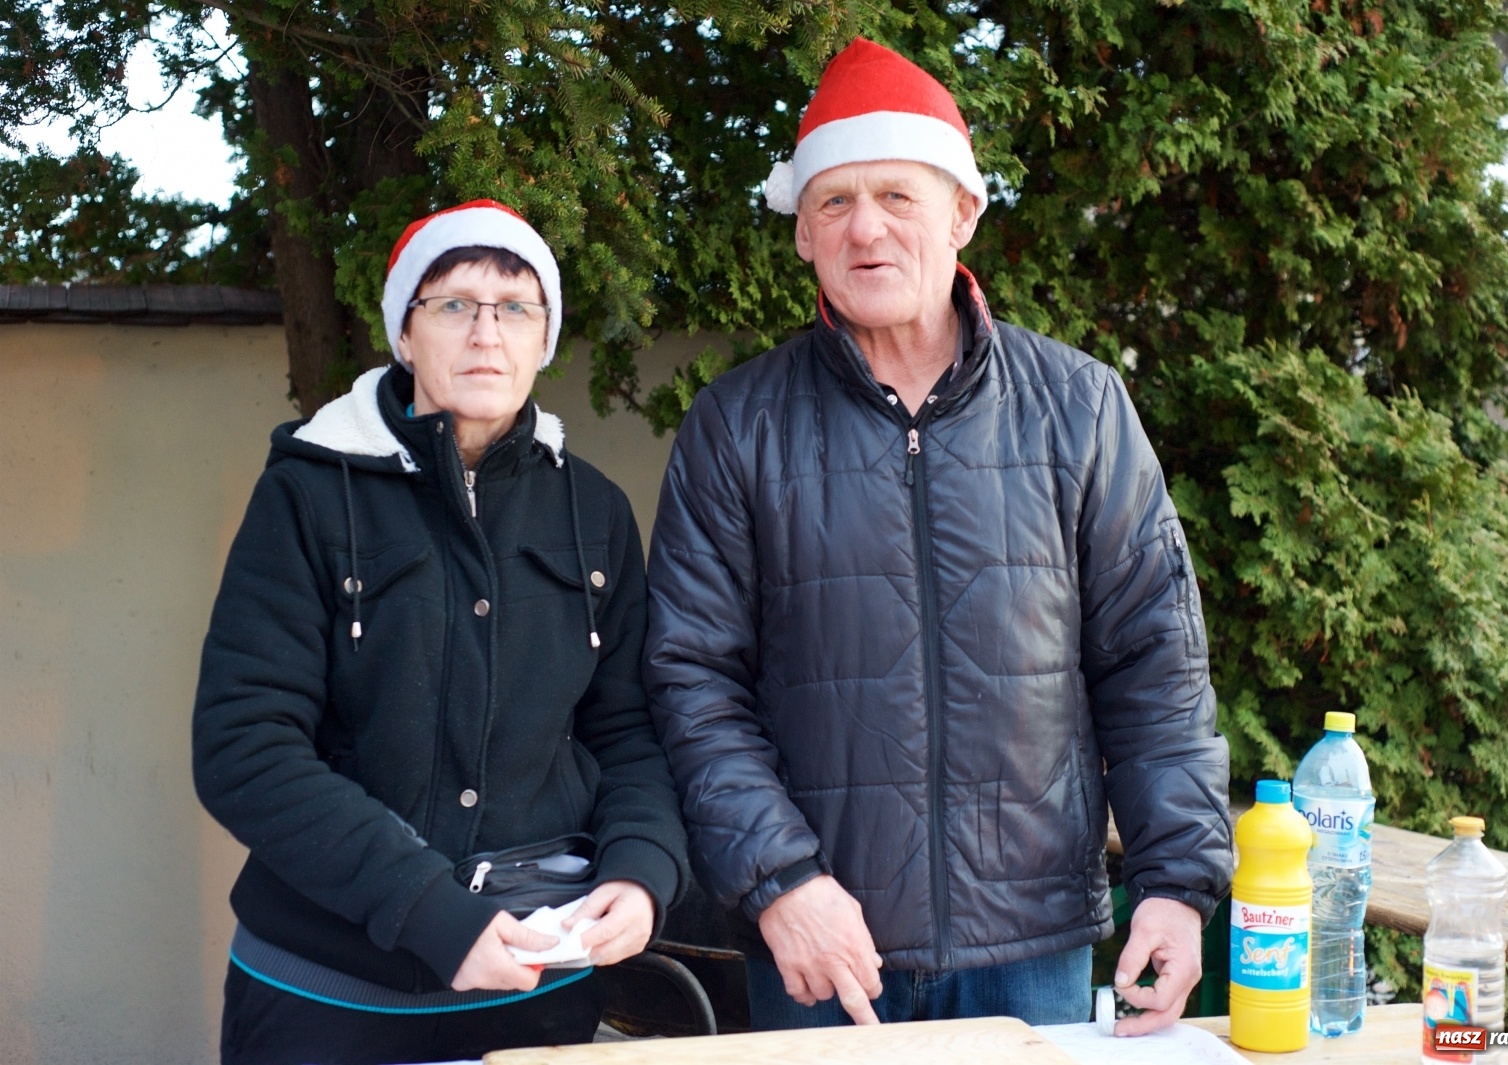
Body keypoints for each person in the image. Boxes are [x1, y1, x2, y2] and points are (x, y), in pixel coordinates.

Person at [645, 39, 1230, 1035]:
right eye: (834, 202)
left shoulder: (1079, 409)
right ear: (801, 234)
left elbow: (1153, 665)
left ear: (962, 213)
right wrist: (781, 881)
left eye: (897, 197)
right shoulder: (737, 426)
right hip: (819, 952)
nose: (865, 228)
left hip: (1030, 951)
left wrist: (1176, 885)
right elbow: (692, 680)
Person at [193, 199, 689, 1065]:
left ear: (543, 338)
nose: (485, 333)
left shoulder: (594, 511)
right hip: (327, 988)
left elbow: (629, 732)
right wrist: (430, 911)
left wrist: (642, 868)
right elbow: (245, 748)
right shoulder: (308, 495)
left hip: (537, 992)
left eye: (515, 309)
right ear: (405, 334)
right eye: (453, 305)